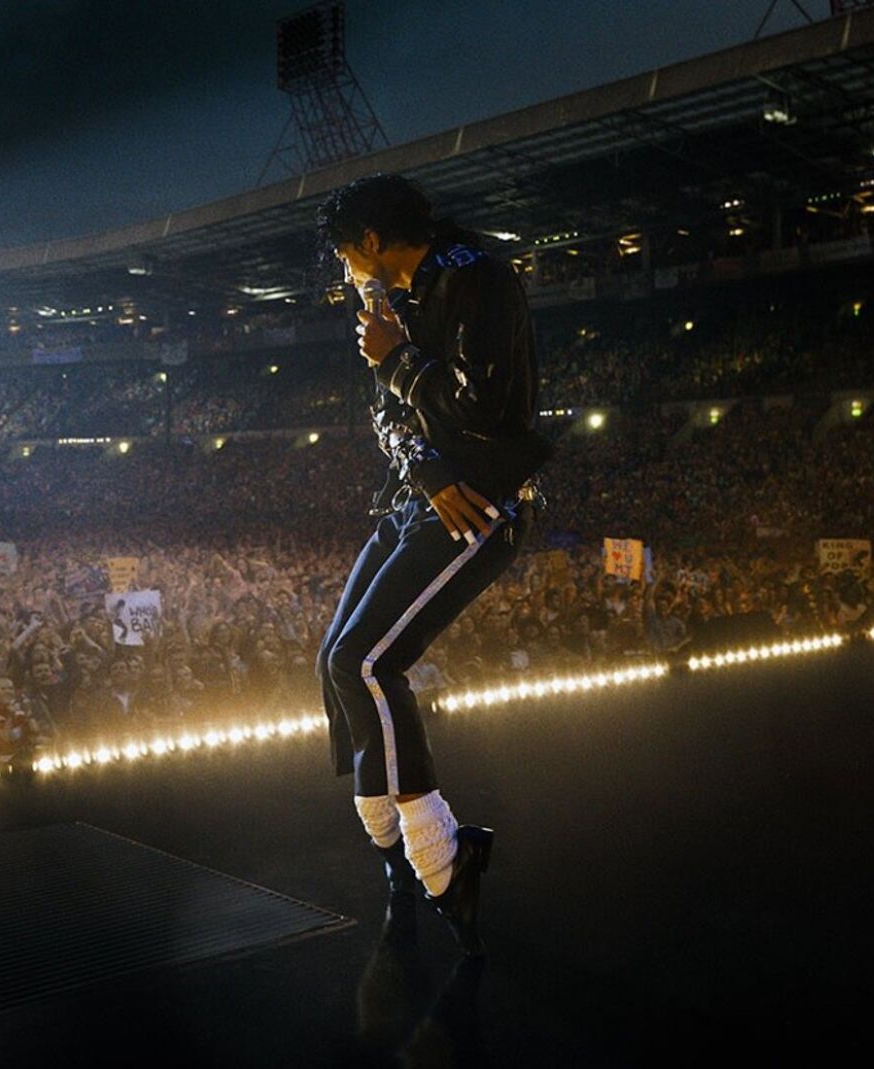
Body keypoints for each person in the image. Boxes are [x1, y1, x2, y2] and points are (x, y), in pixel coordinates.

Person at [314, 172, 554, 956]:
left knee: (367, 662)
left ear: (372, 241)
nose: (346, 270)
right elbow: (386, 415)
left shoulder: (478, 280)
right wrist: (425, 467)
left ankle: (444, 861)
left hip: (483, 502)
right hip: (424, 495)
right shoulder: (392, 300)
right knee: (334, 660)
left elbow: (485, 407)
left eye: (346, 253)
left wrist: (397, 360)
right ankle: (393, 848)